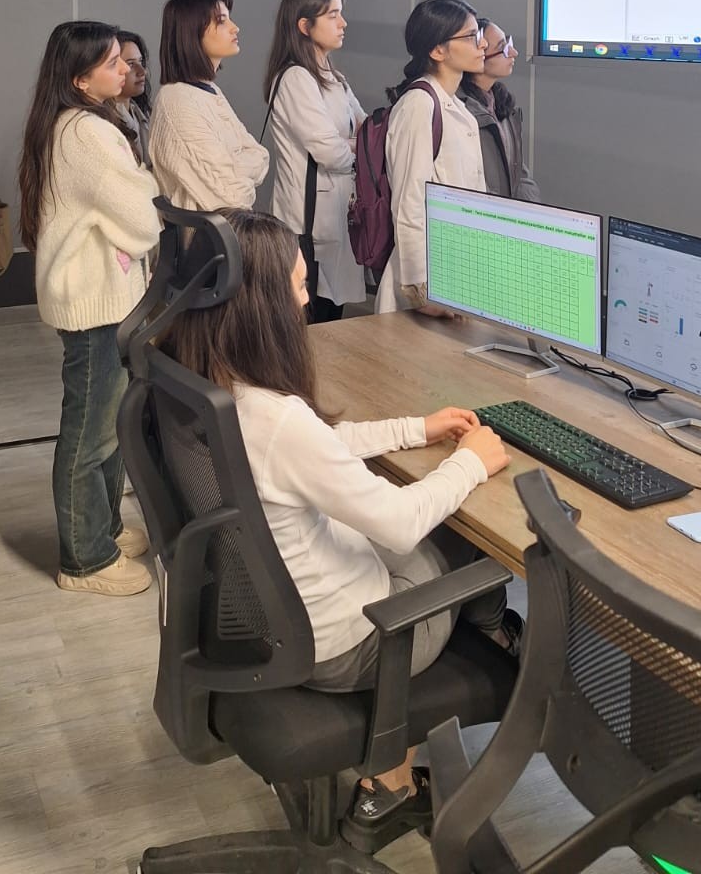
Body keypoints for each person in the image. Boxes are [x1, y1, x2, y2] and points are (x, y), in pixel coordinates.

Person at [159, 210, 517, 838]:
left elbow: (315, 447)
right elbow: (400, 523)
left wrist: (416, 429)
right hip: (353, 647)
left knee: (413, 514)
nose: (307, 300)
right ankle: (487, 669)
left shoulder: (203, 387)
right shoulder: (278, 422)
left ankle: (413, 744)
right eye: (299, 286)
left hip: (263, 620)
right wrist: (470, 461)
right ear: (262, 308)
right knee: (460, 539)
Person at [19, 21, 161, 596]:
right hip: (94, 302)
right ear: (80, 79)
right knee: (91, 433)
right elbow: (145, 220)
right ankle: (84, 559)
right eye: (111, 63)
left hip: (104, 296)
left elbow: (132, 203)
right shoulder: (86, 132)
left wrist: (137, 193)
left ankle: (104, 530)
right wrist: (144, 191)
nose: (125, 69)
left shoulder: (82, 122)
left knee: (108, 425)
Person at [376, 0, 488, 316]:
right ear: (438, 50)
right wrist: (420, 290)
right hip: (428, 278)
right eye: (471, 36)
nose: (482, 44)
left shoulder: (454, 104)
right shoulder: (418, 105)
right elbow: (409, 202)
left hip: (459, 267)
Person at [263, 0, 365, 323]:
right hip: (306, 221)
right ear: (304, 26)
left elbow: (367, 130)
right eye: (333, 15)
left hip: (334, 213)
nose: (343, 23)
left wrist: (352, 145)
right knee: (311, 320)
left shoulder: (332, 75)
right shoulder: (295, 78)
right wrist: (357, 149)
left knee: (330, 313)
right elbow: (330, 152)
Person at [149, 0, 269, 211]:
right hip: (209, 230)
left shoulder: (208, 90)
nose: (235, 27)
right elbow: (232, 195)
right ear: (191, 33)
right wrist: (237, 166)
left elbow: (261, 156)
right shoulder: (177, 102)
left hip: (231, 224)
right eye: (222, 21)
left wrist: (232, 168)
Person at [459, 19, 542, 202]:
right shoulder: (459, 113)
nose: (514, 52)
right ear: (477, 55)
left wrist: (531, 211)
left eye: (508, 43)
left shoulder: (504, 105)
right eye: (503, 48)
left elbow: (519, 174)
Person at [113, 29, 152, 165]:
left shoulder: (141, 114)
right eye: (130, 64)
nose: (142, 72)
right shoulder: (104, 121)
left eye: (141, 62)